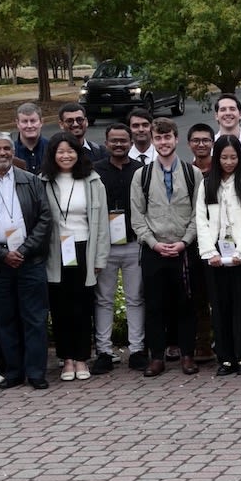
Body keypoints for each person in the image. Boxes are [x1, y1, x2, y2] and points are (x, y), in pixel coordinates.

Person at [0, 136, 55, 389]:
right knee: (4, 320)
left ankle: (36, 372)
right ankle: (14, 371)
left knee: (35, 318)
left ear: (13, 151)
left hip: (30, 259)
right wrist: (0, 253)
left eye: (7, 148)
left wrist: (25, 250)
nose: (2, 152)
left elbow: (44, 219)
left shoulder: (32, 181)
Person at [131, 118, 202, 376]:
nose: (163, 142)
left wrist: (185, 242)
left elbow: (198, 214)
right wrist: (153, 243)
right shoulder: (143, 175)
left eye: (167, 137)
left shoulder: (192, 173)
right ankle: (157, 357)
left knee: (185, 304)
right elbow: (137, 217)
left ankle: (187, 355)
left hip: (184, 250)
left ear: (176, 139)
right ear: (152, 140)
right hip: (154, 251)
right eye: (158, 138)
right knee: (155, 305)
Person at [39, 134, 109, 382]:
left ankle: (81, 358)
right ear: (52, 155)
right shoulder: (43, 181)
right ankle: (66, 359)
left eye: (71, 151)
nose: (66, 155)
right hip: (55, 252)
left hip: (84, 249)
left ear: (79, 153)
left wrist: (100, 257)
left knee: (82, 306)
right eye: (60, 151)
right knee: (60, 307)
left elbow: (101, 224)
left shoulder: (92, 181)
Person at [197, 138, 241, 375]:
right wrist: (209, 252)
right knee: (220, 307)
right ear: (216, 158)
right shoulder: (207, 184)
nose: (228, 162)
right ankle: (225, 358)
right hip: (215, 254)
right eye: (224, 157)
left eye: (233, 157)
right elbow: (201, 220)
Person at [92, 123, 143, 374]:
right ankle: (103, 351)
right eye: (114, 141)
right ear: (106, 142)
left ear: (131, 142)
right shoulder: (95, 171)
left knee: (135, 298)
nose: (119, 144)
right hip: (106, 245)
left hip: (134, 243)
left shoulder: (141, 170)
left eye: (124, 140)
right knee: (104, 300)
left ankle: (137, 350)